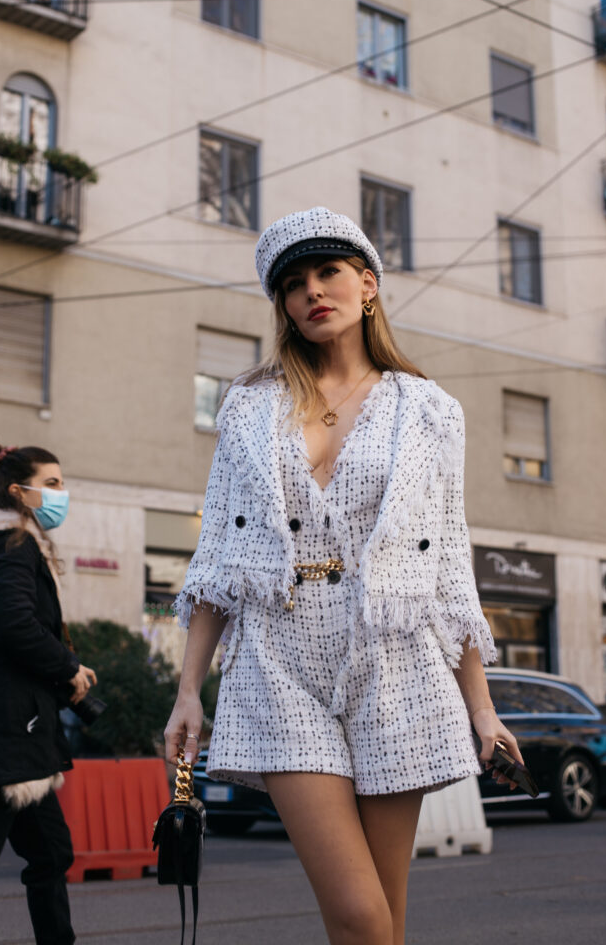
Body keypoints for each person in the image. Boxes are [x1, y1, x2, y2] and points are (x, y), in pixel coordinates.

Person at [165, 207, 525, 945]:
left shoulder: (428, 410)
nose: (311, 292)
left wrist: (480, 708)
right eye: (293, 284)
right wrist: (187, 691)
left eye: (327, 273)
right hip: (278, 655)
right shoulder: (248, 406)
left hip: (393, 658)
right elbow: (220, 565)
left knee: (380, 918)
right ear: (284, 306)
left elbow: (447, 566)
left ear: (367, 284)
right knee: (360, 914)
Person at [0, 438, 96, 945]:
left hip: (16, 733)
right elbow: (16, 627)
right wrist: (68, 667)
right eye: (52, 484)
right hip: (7, 733)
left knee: (50, 855)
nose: (62, 493)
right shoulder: (12, 546)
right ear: (20, 493)